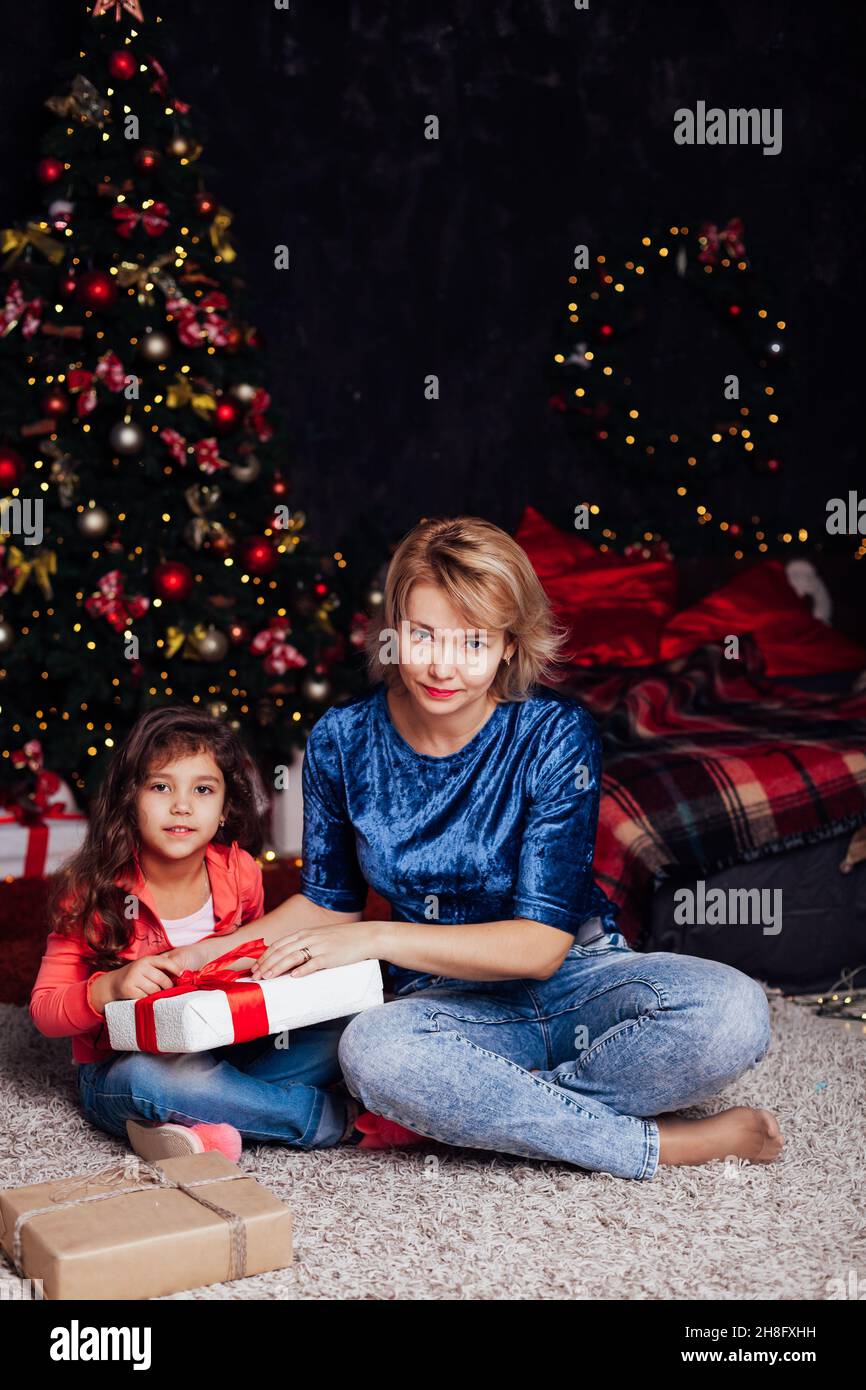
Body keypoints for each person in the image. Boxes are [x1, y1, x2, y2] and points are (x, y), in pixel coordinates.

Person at [168, 515, 783, 1180]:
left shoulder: (553, 735)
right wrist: (210, 951)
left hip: (579, 976)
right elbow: (328, 905)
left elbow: (540, 946)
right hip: (445, 1002)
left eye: (472, 642)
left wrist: (379, 939)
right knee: (373, 1051)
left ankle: (490, 1107)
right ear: (393, 628)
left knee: (734, 1012)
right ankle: (652, 1142)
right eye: (422, 633)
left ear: (510, 647)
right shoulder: (342, 739)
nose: (440, 664)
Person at [30, 705, 378, 1161]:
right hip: (123, 1067)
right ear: (130, 801)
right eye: (160, 787)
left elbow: (253, 976)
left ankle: (199, 1117)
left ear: (223, 808)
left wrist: (264, 968)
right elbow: (44, 1011)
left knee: (350, 1030)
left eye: (202, 789)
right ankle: (336, 1120)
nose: (182, 805)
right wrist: (106, 989)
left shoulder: (240, 873)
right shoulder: (90, 891)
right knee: (152, 1082)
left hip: (226, 1046)